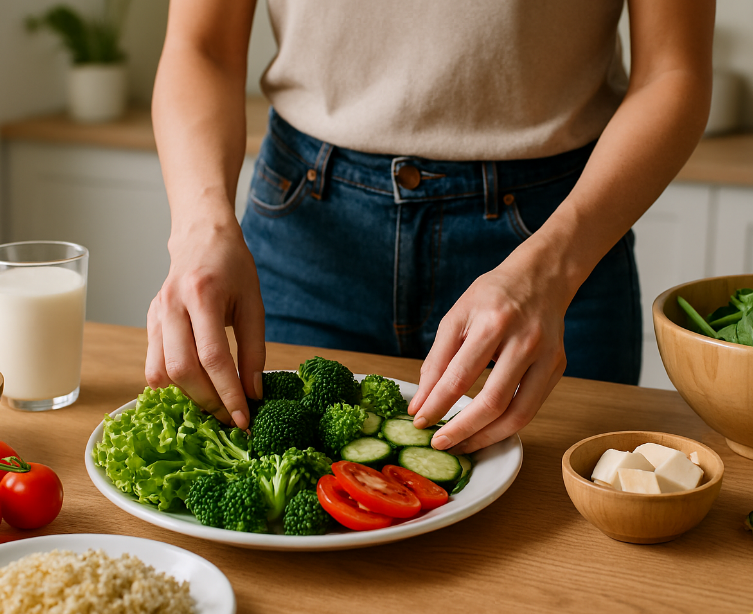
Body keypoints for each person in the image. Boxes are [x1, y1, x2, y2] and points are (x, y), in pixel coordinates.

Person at [145, 0, 715, 455]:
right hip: (306, 231)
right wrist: (200, 229)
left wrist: (554, 266)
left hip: (554, 235)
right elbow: (202, 47)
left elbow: (674, 70)